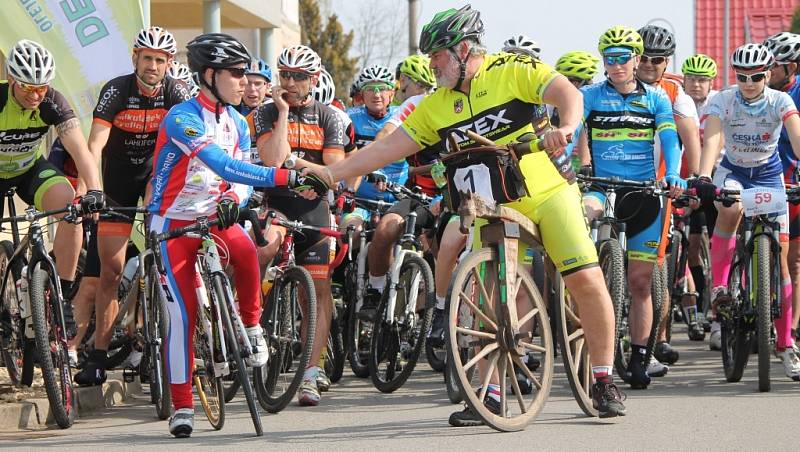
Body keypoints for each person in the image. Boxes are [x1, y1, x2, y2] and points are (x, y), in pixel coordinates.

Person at [302, 5, 626, 422]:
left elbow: (568, 94)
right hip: (492, 202)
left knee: (585, 278)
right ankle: (489, 391)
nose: (431, 64)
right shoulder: (435, 104)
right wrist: (331, 173)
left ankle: (602, 377)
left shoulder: (512, 69)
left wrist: (566, 127)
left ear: (463, 50)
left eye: (437, 55)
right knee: (487, 296)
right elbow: (383, 149)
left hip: (547, 191)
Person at [149, 33, 309, 438]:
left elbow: (239, 181)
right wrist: (286, 176)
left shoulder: (237, 121)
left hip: (214, 214)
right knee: (182, 315)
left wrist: (235, 201)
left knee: (245, 246)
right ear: (209, 74)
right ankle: (182, 406)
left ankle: (251, 326)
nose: (245, 81)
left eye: (246, 73)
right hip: (173, 222)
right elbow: (225, 166)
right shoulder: (181, 118)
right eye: (236, 73)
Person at [72, 26, 192, 386]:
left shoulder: (177, 92)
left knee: (174, 260)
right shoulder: (116, 90)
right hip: (119, 181)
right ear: (135, 58)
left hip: (159, 174)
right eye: (147, 58)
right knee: (110, 271)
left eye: (160, 60)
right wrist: (91, 189)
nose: (153, 65)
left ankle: (176, 344)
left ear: (169, 63)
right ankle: (98, 355)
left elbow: (191, 143)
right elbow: (95, 145)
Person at [692, 43, 800, 383]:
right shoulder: (722, 99)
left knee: (780, 259)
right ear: (735, 75)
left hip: (769, 173)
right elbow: (712, 140)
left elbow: (796, 136)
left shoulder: (781, 101)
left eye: (756, 76)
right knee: (731, 207)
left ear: (768, 75)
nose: (749, 82)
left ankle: (785, 344)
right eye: (742, 76)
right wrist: (705, 175)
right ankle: (721, 287)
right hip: (733, 171)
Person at [248, 44, 346, 407]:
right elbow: (272, 160)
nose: (289, 82)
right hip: (277, 204)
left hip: (314, 209)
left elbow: (334, 173)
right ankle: (250, 326)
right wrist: (284, 114)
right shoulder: (266, 113)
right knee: (263, 248)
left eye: (299, 77)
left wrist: (296, 164)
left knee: (316, 292)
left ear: (314, 79)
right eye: (284, 75)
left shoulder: (330, 117)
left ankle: (310, 371)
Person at [2, 39, 105, 338]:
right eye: (27, 87)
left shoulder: (53, 102)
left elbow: (80, 151)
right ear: (11, 79)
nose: (35, 95)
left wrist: (94, 190)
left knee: (71, 209)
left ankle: (62, 296)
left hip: (28, 170)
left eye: (42, 87)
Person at [636, 24, 703, 366]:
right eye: (643, 56)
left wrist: (695, 180)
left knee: (653, 269)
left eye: (657, 58)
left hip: (658, 187)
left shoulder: (675, 94)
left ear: (666, 62)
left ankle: (653, 341)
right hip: (614, 185)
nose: (648, 63)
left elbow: (690, 139)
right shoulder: (614, 85)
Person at [681, 53, 723, 350]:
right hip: (686, 178)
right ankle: (697, 303)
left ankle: (716, 306)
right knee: (691, 246)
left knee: (720, 241)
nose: (696, 84)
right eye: (691, 78)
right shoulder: (679, 102)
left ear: (712, 82)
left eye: (702, 79)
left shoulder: (720, 102)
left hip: (717, 178)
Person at [764, 32, 800, 358]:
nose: (768, 70)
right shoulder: (761, 91)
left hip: (795, 178)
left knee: (793, 261)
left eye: (774, 65)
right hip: (763, 177)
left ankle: (789, 331)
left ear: (790, 67)